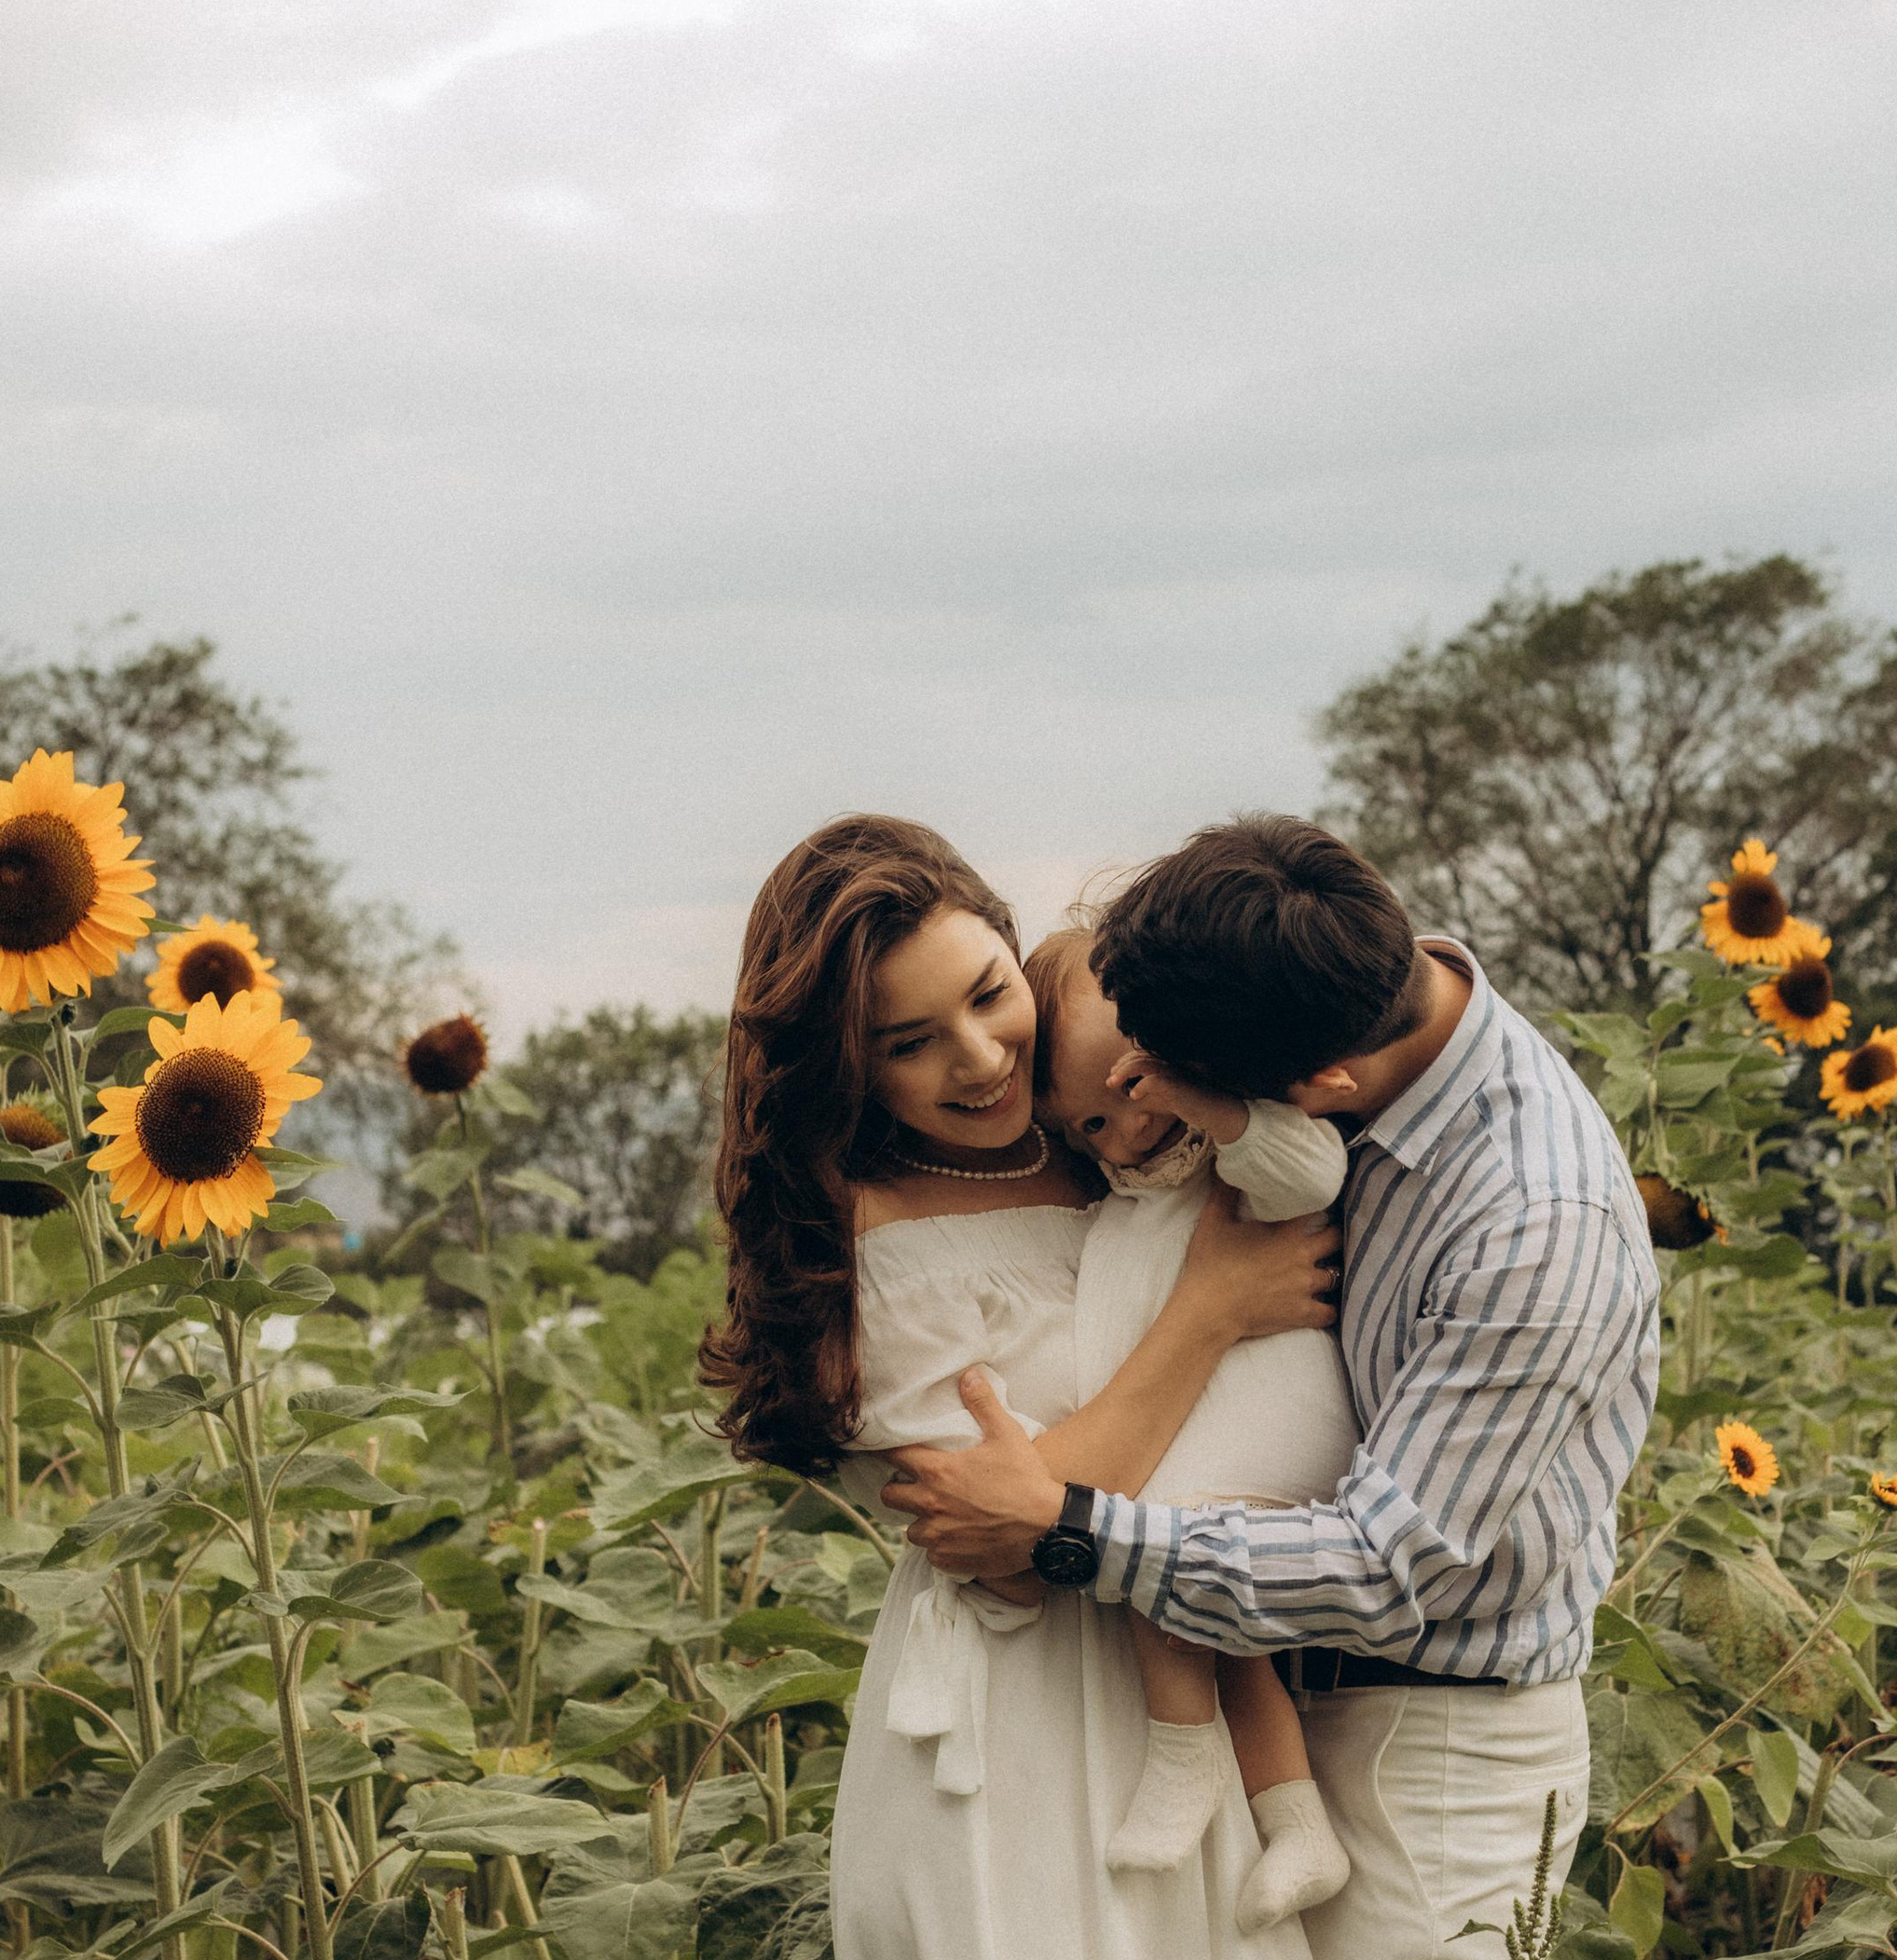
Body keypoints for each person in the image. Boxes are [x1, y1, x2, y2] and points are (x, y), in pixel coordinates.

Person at [880, 815, 1661, 1959]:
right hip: (1288, 1698)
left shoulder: (1534, 1226)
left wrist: (1073, 1527)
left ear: (1314, 1085)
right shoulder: (1309, 980)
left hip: (1431, 1757)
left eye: (1168, 1083)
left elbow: (1387, 1565)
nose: (1141, 1098)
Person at [698, 816, 1340, 1960]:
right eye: (909, 1042)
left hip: (1203, 1651)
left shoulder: (1111, 1124)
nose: (980, 1057)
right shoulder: (876, 1232)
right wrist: (1214, 1305)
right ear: (849, 1064)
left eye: (989, 994)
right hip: (1023, 1704)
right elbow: (1001, 1535)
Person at [1025, 923, 1355, 1929]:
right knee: (1212, 1608)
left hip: (1283, 1419)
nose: (1123, 1136)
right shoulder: (1130, 1196)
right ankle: (1296, 1819)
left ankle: (1183, 1757)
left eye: (1132, 1092)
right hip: (1216, 1430)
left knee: (1155, 1551)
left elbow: (1316, 1175)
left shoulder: (1233, 1160)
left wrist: (1212, 1112)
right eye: (1085, 1126)